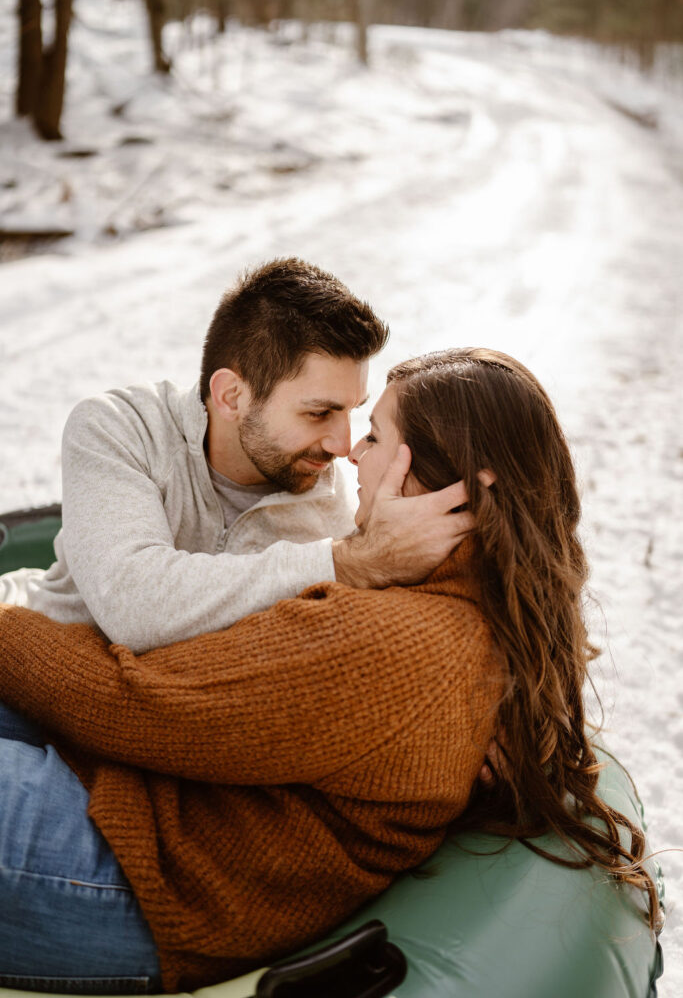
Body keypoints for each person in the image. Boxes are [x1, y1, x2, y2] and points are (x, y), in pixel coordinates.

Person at [0, 348, 659, 994]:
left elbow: (130, 699)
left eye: (375, 435)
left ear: (461, 486)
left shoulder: (403, 644)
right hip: (171, 816)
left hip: (147, 876)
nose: (351, 453)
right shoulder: (470, 608)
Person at [0, 258, 471, 652]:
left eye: (351, 412)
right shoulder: (121, 427)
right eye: (319, 413)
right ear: (230, 396)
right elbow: (132, 604)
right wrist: (343, 562)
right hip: (26, 654)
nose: (343, 446)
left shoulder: (341, 509)